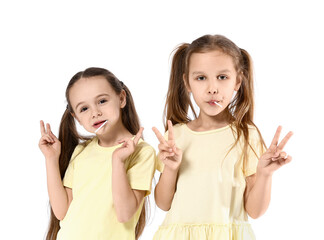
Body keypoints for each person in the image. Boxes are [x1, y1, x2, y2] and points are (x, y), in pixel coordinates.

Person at [152, 34, 293, 240]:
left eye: (222, 77)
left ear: (238, 81)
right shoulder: (176, 136)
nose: (212, 88)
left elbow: (254, 211)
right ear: (187, 83)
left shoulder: (246, 135)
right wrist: (171, 169)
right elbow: (163, 204)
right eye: (201, 78)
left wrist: (264, 174)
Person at [38, 67, 156, 240]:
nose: (95, 113)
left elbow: (124, 214)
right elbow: (62, 211)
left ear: (121, 98)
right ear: (76, 117)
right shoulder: (81, 151)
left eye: (102, 101)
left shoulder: (142, 152)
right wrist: (51, 159)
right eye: (84, 109)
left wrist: (117, 161)